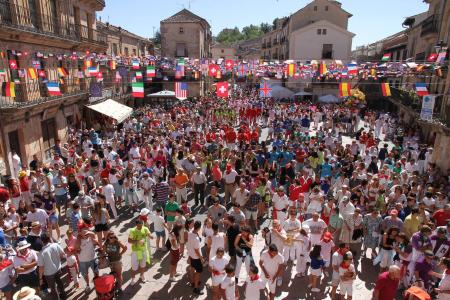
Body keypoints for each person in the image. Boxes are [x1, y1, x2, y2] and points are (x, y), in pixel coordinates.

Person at [37, 233, 66, 300]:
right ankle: (64, 296)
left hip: (49, 274)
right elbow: (62, 254)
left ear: (42, 241)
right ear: (49, 238)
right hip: (58, 269)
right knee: (60, 283)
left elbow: (41, 267)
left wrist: (40, 278)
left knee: (53, 289)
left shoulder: (41, 253)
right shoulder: (56, 245)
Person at [76, 225, 100, 292]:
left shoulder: (91, 236)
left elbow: (97, 243)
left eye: (86, 230)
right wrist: (78, 238)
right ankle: (87, 285)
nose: (85, 233)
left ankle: (97, 283)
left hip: (93, 258)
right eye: (82, 231)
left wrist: (92, 235)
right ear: (79, 232)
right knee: (85, 274)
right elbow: (76, 249)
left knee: (96, 272)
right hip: (83, 261)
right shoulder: (78, 239)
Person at [128, 219, 153, 285]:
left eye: (141, 225)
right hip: (135, 252)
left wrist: (150, 236)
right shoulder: (132, 231)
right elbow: (129, 241)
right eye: (139, 226)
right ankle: (133, 279)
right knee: (134, 267)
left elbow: (149, 234)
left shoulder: (145, 228)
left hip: (144, 251)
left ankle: (142, 276)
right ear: (136, 225)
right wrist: (137, 241)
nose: (140, 227)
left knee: (143, 265)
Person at [187, 220, 204, 295]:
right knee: (198, 272)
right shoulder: (196, 239)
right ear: (199, 227)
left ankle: (192, 282)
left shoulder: (189, 232)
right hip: (196, 258)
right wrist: (201, 258)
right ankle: (196, 288)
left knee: (192, 268)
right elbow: (197, 250)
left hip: (191, 256)